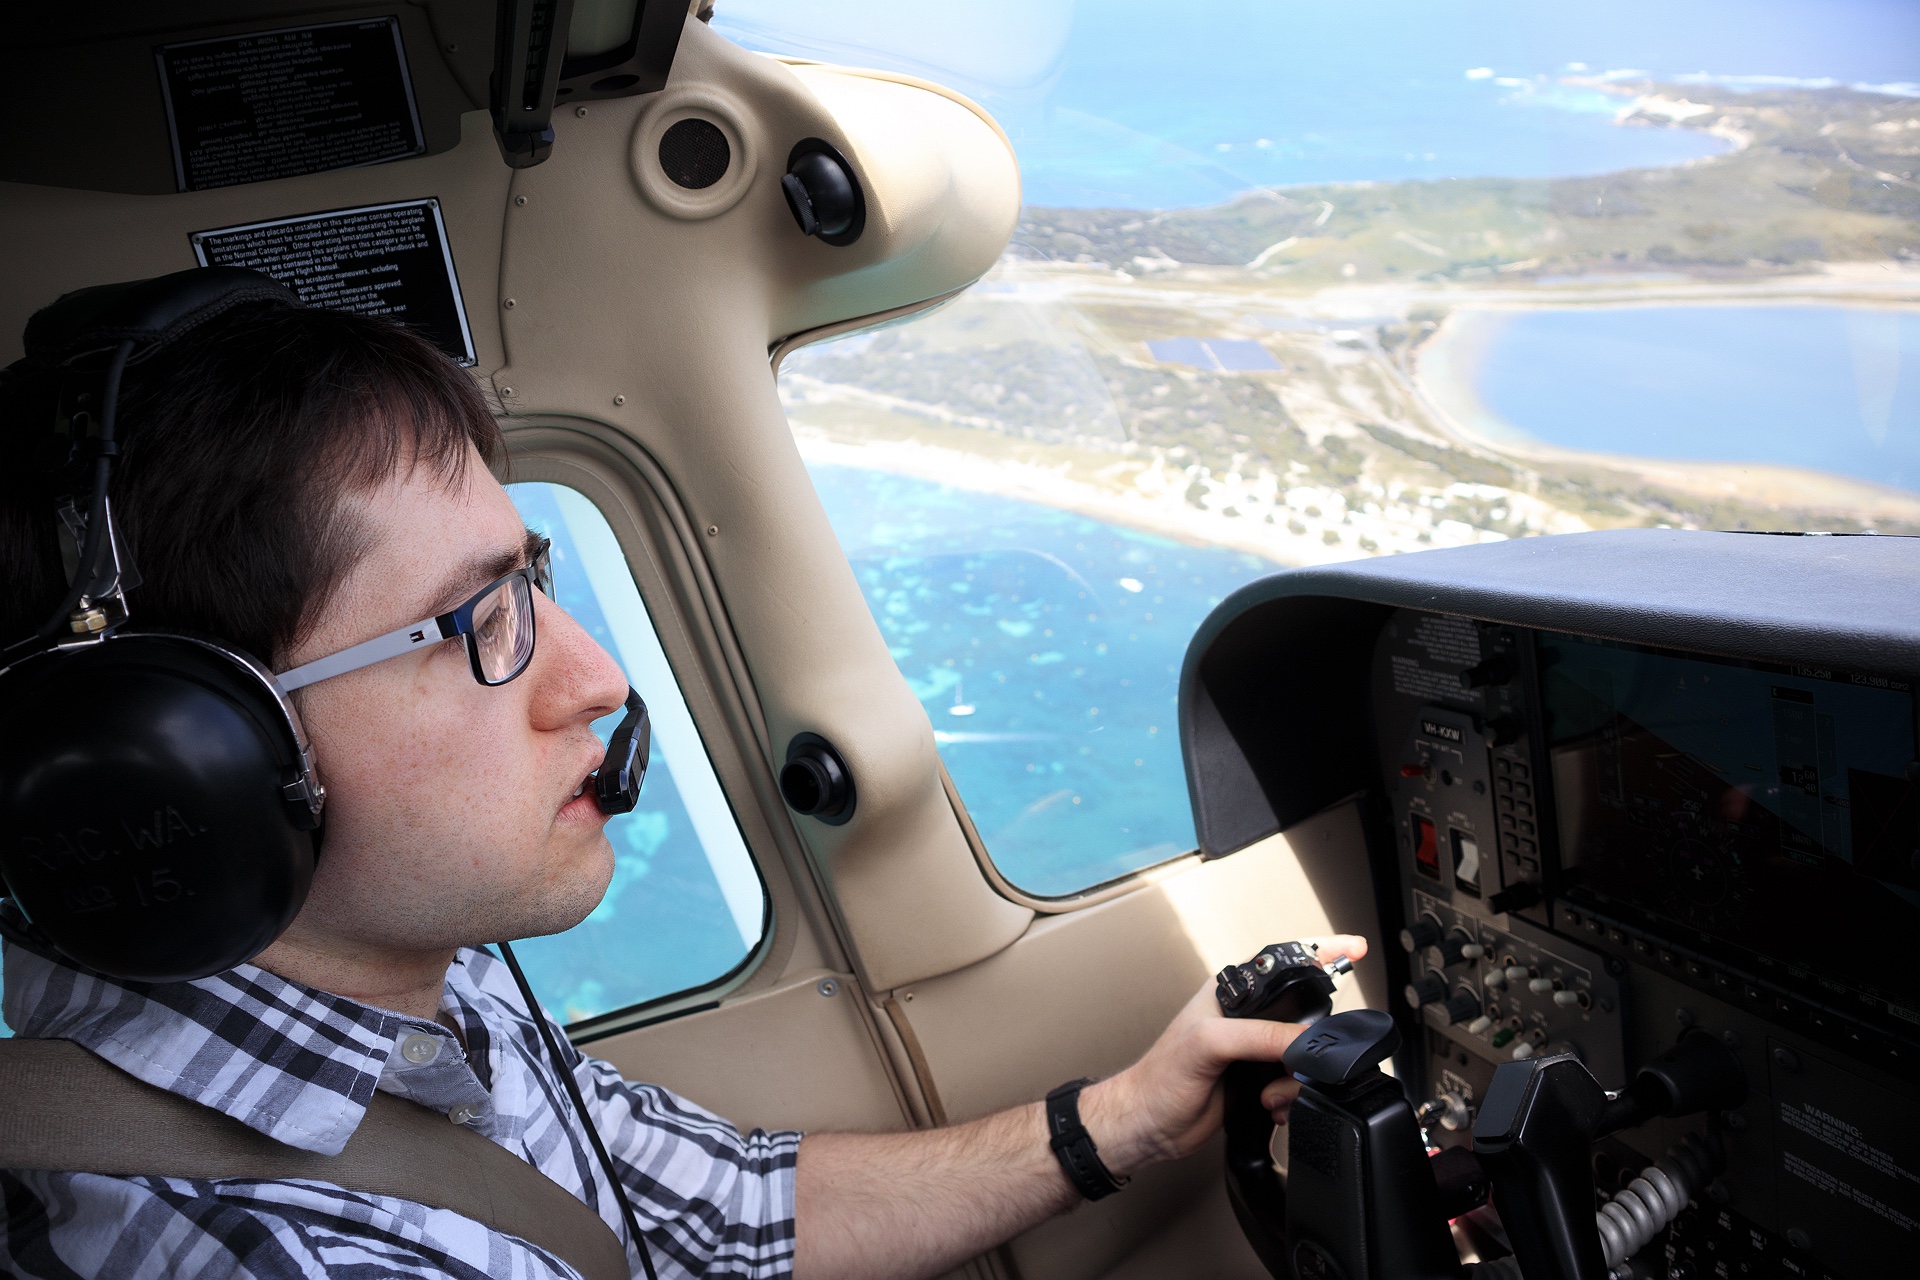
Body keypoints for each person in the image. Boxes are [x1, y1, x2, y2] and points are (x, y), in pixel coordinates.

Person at [0, 290, 1365, 1279]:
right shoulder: (270, 1250)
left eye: (530, 579)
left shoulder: (400, 979)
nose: (595, 679)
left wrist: (1124, 1119)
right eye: (477, 621)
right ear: (205, 756)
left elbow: (717, 1214)